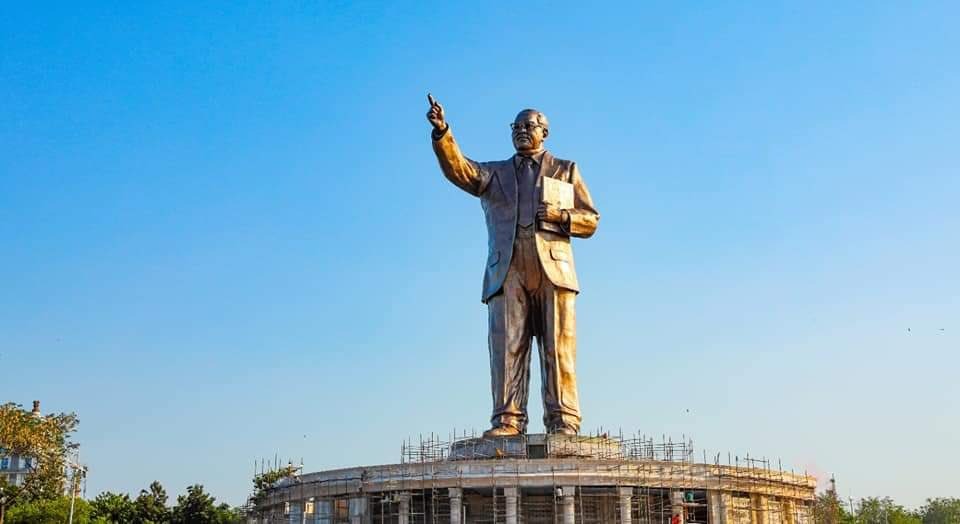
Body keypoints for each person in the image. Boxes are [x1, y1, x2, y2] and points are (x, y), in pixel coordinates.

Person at [427, 94, 599, 436]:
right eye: (516, 127)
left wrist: (561, 216)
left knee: (557, 347)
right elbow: (459, 168)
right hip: (508, 269)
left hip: (554, 269)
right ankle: (508, 419)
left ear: (544, 132)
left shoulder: (566, 170)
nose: (521, 131)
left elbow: (591, 220)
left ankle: (563, 419)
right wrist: (443, 132)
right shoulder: (494, 174)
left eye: (528, 126)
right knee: (507, 347)